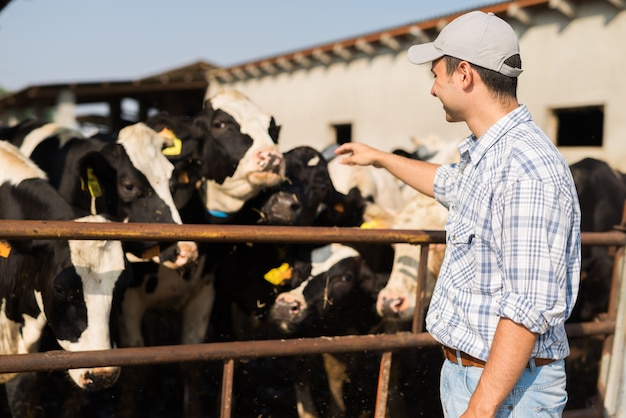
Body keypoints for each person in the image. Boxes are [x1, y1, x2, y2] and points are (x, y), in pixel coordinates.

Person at [334, 10, 581, 418]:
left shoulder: (526, 169)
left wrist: (480, 410)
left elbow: (528, 308)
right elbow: (448, 184)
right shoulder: (493, 157)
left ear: (464, 75)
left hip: (507, 392)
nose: (432, 89)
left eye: (436, 74)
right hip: (476, 376)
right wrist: (380, 159)